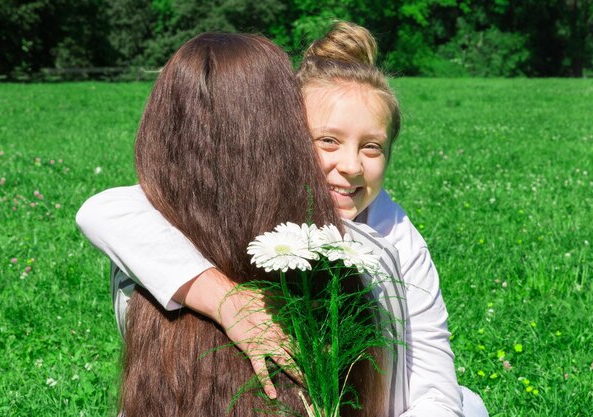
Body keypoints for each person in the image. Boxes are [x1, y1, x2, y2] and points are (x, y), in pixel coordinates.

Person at [77, 23, 488, 417]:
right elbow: (103, 210)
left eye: (372, 147)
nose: (351, 166)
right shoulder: (254, 203)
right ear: (284, 138)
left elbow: (435, 380)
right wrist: (227, 300)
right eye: (327, 140)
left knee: (468, 403)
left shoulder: (393, 234)